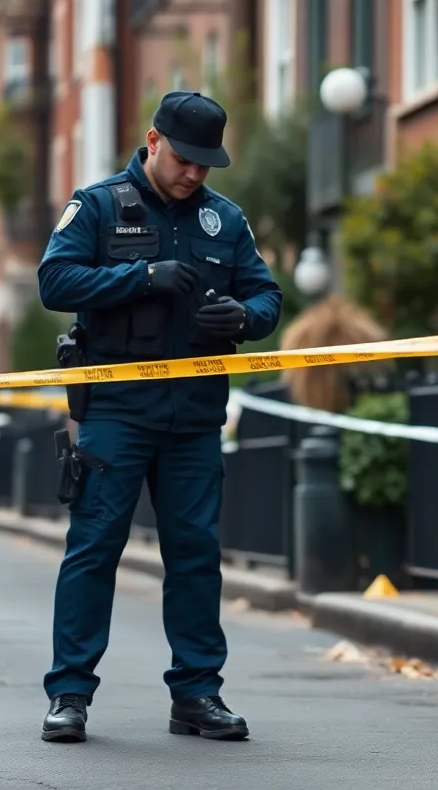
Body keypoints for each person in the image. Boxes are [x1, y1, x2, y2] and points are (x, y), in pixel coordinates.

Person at [34, 91, 282, 744]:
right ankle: (69, 695)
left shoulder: (223, 221)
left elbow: (265, 294)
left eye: (206, 164)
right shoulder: (97, 206)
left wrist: (245, 318)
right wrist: (141, 278)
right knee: (94, 549)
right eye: (184, 159)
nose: (194, 174)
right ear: (153, 141)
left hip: (196, 417)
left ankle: (198, 695)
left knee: (196, 555)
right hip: (117, 410)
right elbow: (55, 282)